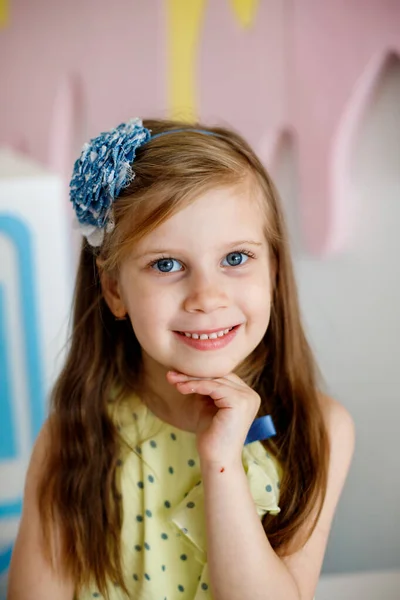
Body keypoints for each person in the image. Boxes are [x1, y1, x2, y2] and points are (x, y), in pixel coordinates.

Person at [7, 118, 355, 600]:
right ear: (113, 289)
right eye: (167, 264)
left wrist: (222, 462)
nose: (207, 297)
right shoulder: (73, 437)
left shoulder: (318, 428)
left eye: (235, 258)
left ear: (273, 268)